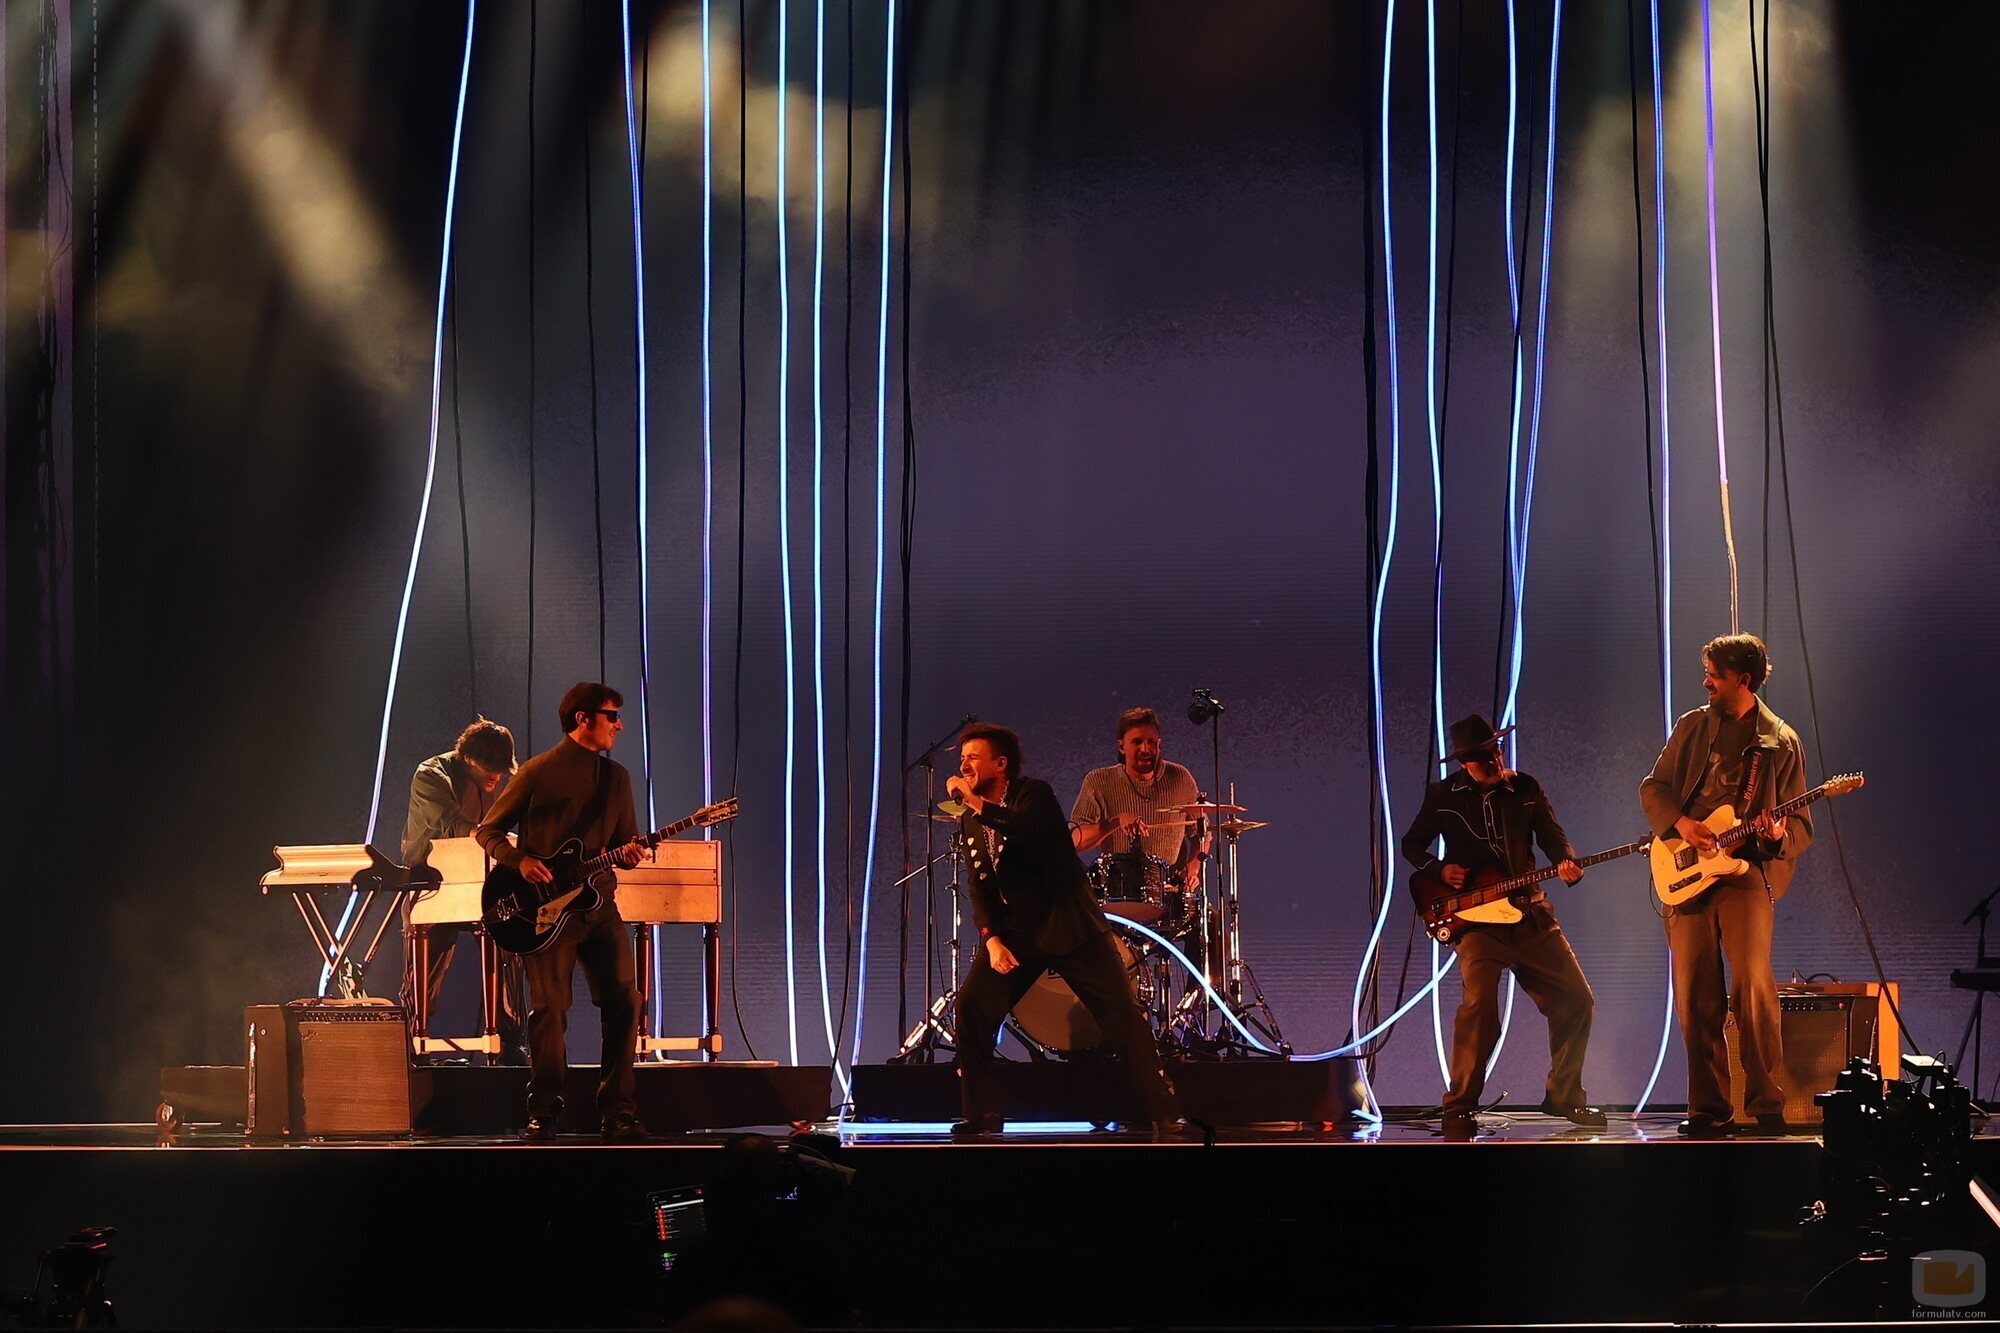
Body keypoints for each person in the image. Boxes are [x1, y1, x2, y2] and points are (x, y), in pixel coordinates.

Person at [945, 723, 1187, 1139]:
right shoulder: (970, 821)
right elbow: (980, 885)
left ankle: (1164, 1111)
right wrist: (993, 938)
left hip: (1071, 925)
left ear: (1000, 765)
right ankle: (983, 1115)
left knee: (1121, 1017)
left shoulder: (1033, 795)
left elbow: (1031, 833)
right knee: (972, 1008)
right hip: (1019, 932)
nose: (964, 764)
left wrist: (976, 804)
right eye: (962, 757)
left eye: (973, 757)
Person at [1640, 633, 1811, 1138]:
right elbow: (1653, 788)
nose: (1706, 682)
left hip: (1745, 875)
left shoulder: (1780, 741)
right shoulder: (1693, 726)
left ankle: (1765, 1104)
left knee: (1752, 986)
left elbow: (1801, 826)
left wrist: (1779, 835)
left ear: (1744, 679)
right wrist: (1680, 826)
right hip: (1689, 871)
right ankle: (1708, 1110)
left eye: (1714, 674)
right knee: (1695, 997)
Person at [1401, 714, 1603, 1140]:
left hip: (1530, 914)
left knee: (1577, 999)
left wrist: (1565, 859)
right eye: (1480, 757)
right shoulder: (1443, 794)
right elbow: (1411, 844)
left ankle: (1564, 1094)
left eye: (1494, 751)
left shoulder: (1525, 788)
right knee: (1479, 1009)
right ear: (1464, 763)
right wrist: (1440, 869)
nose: (1492, 760)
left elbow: (1551, 834)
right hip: (1477, 923)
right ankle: (1459, 1107)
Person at [476, 682, 650, 1143]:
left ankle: (617, 1110)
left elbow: (622, 844)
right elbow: (488, 831)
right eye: (612, 715)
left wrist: (629, 855)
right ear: (582, 718)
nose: (619, 724)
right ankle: (545, 1112)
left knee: (624, 1002)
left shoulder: (618, 779)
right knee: (549, 1009)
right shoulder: (537, 771)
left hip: (599, 909)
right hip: (544, 915)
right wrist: (520, 861)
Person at [400, 717, 526, 1060]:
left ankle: (510, 1042)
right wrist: (496, 839)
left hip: (478, 875)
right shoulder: (431, 775)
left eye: (501, 771)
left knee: (508, 939)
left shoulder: (493, 779)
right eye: (490, 770)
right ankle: (410, 1045)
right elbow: (452, 826)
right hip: (431, 880)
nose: (497, 778)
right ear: (469, 758)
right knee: (427, 968)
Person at [1070, 707, 1208, 892]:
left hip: (1167, 892)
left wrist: (1193, 868)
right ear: (1121, 746)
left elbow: (1203, 833)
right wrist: (1116, 822)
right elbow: (1075, 841)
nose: (1145, 749)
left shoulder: (1181, 778)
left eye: (1151, 742)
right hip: (1117, 892)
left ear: (1159, 744)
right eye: (1137, 742)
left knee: (1212, 919)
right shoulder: (1098, 781)